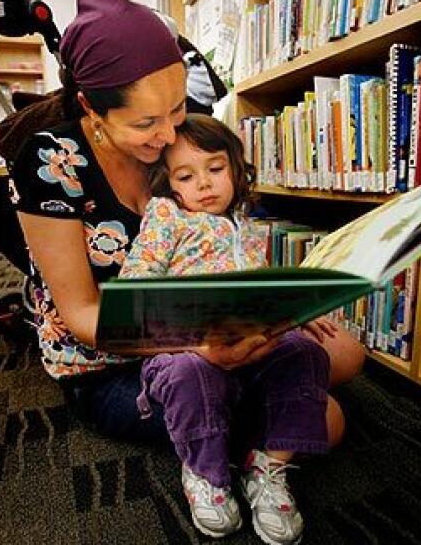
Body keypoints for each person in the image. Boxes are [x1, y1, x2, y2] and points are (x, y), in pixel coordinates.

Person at [8, 0, 364, 521]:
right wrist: (199, 346)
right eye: (147, 123)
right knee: (327, 418)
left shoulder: (179, 144)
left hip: (210, 324)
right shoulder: (50, 161)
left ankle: (256, 406)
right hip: (111, 361)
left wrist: (279, 304)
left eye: (177, 109)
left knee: (344, 353)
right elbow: (82, 315)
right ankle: (231, 452)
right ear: (90, 107)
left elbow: (224, 241)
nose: (170, 132)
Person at [119, 114, 335, 543]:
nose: (203, 184)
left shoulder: (248, 227)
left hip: (251, 349)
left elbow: (261, 291)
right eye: (186, 175)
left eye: (215, 169)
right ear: (170, 185)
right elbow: (133, 291)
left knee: (307, 352)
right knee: (189, 376)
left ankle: (268, 468)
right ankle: (206, 475)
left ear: (235, 169)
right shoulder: (168, 217)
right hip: (188, 353)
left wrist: (294, 306)